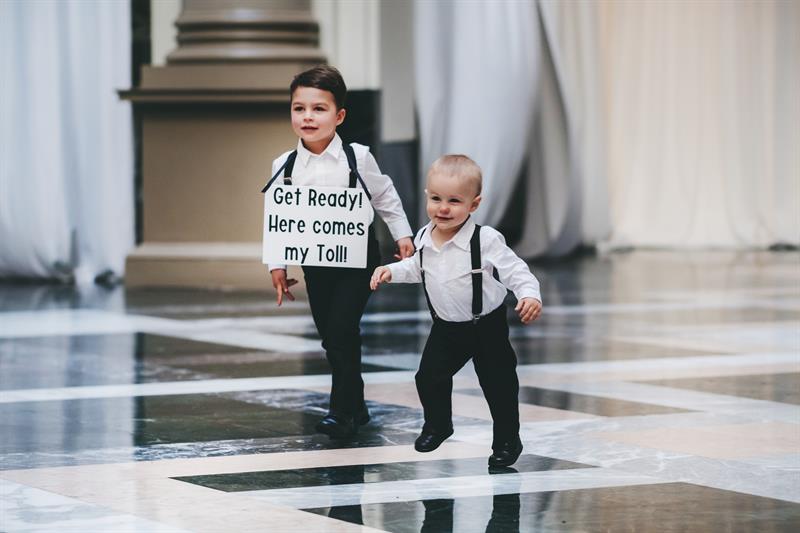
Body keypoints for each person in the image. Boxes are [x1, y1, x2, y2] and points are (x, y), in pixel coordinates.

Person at [268, 65, 414, 439]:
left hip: (358, 260)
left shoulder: (357, 157)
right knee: (332, 337)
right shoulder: (283, 164)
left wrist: (402, 235)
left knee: (341, 329)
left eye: (319, 109)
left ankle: (341, 413)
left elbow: (385, 196)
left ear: (340, 116)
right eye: (299, 108)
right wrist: (277, 264)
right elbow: (279, 216)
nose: (308, 117)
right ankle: (357, 405)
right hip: (315, 263)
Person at [370, 155, 542, 467]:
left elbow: (515, 270)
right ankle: (438, 425)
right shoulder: (424, 237)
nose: (443, 208)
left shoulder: (485, 239)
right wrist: (391, 271)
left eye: (454, 201)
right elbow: (417, 267)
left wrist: (529, 295)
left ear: (474, 204)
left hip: (486, 327)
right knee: (428, 377)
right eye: (436, 199)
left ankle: (507, 441)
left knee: (499, 386)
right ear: (427, 196)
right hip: (446, 328)